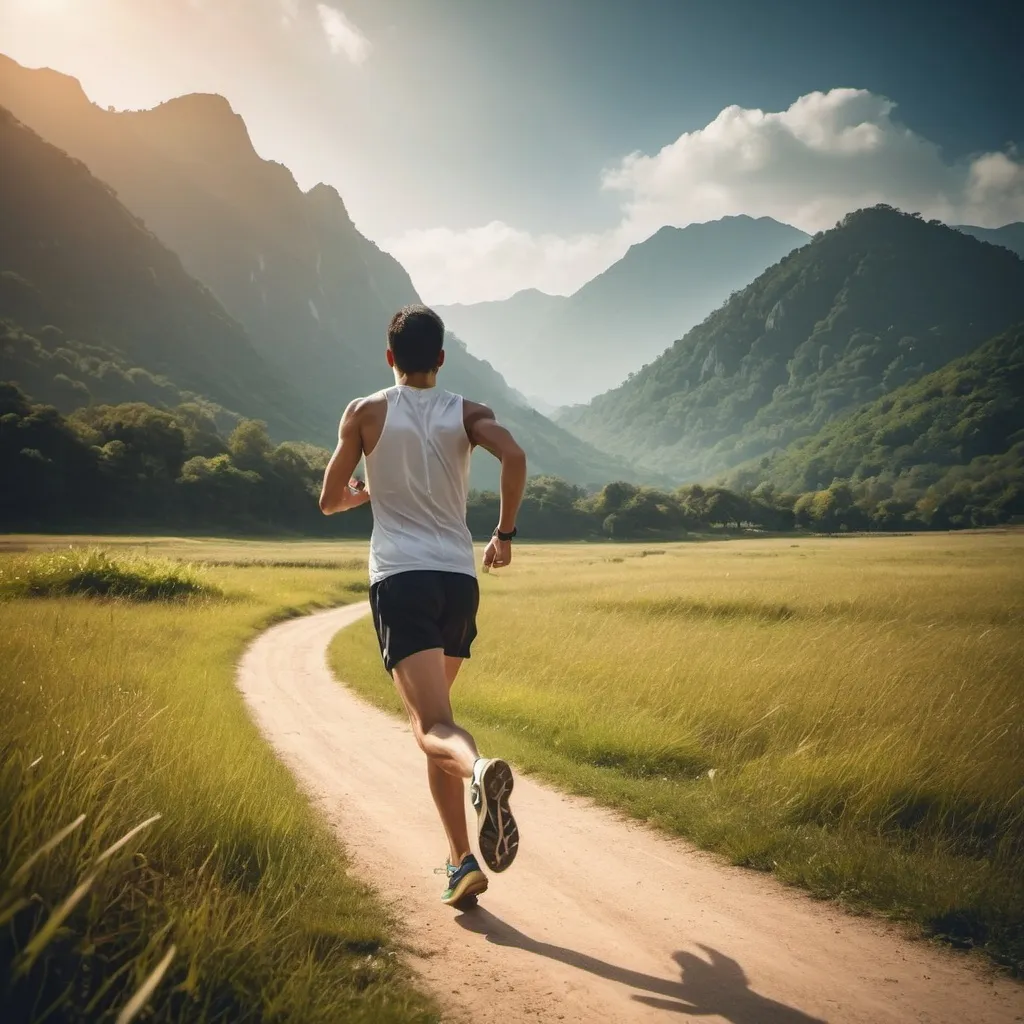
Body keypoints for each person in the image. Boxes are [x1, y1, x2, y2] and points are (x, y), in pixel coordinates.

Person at [319, 304, 527, 907]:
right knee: (439, 723)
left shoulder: (364, 414)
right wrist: (504, 534)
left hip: (402, 579)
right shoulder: (468, 413)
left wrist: (365, 491)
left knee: (434, 730)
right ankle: (462, 863)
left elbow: (330, 499)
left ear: (390, 358)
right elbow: (514, 457)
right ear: (440, 358)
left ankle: (481, 770)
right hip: (457, 582)